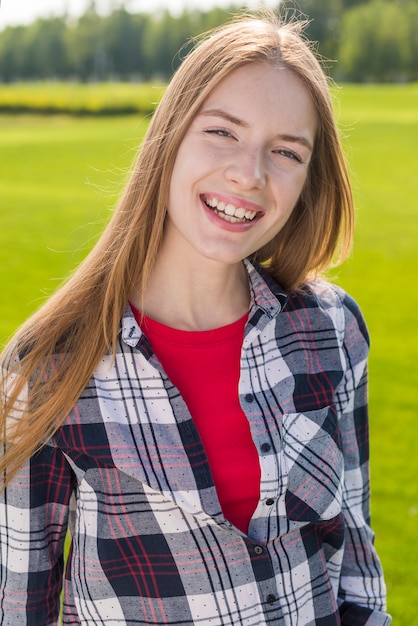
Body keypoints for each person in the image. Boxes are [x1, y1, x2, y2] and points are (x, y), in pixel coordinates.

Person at [0, 10, 391, 626]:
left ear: (309, 177)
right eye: (223, 132)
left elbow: (359, 573)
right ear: (170, 137)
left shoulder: (331, 331)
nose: (249, 174)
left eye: (286, 151)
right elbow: (20, 605)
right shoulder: (50, 366)